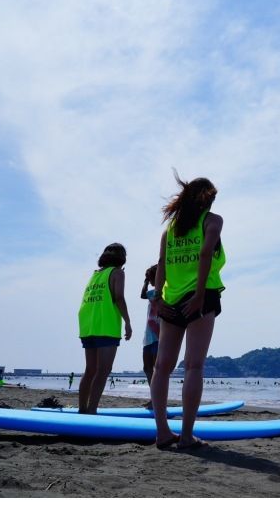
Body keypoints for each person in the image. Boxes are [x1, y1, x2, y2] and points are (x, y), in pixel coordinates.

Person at [150, 174, 225, 450]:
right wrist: (199, 293)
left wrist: (157, 297)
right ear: (208, 198)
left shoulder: (170, 229)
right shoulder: (212, 220)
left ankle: (162, 433)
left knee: (162, 368)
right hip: (199, 297)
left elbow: (161, 262)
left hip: (170, 299)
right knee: (194, 366)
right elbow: (206, 253)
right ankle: (185, 436)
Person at [77, 243, 133, 414]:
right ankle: (92, 409)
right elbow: (119, 298)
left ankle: (82, 409)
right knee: (103, 370)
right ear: (122, 258)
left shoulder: (95, 275)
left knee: (90, 370)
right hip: (106, 326)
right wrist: (128, 322)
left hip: (87, 325)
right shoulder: (117, 272)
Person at [140, 264, 161, 392]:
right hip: (148, 336)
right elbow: (143, 295)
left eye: (151, 278)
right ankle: (154, 395)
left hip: (159, 336)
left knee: (157, 368)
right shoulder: (151, 293)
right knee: (147, 368)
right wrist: (146, 282)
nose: (151, 281)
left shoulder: (165, 291)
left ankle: (157, 398)